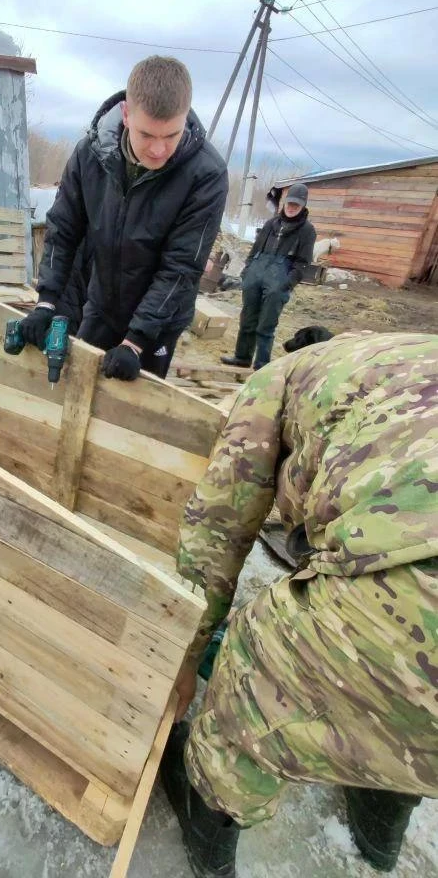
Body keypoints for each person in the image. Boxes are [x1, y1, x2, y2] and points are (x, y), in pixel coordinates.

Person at [160, 332, 437, 877]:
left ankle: (208, 807)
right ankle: (383, 812)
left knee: (258, 657)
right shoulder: (411, 357)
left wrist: (184, 658)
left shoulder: (277, 381)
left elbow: (216, 532)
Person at [21, 56, 228, 380]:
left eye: (171, 136)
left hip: (157, 324)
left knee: (133, 414)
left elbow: (181, 266)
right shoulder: (91, 155)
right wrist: (47, 302)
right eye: (147, 135)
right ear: (127, 114)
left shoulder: (206, 174)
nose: (159, 150)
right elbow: (63, 229)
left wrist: (136, 342)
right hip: (102, 303)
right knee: (80, 383)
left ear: (185, 117)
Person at [221, 181, 316, 370]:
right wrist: (248, 271)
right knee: (248, 319)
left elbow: (302, 263)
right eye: (289, 204)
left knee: (266, 325)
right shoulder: (271, 224)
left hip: (279, 281)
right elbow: (255, 249)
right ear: (284, 203)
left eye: (296, 205)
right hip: (256, 274)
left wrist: (287, 283)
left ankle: (261, 365)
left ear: (303, 206)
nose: (291, 208)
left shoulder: (307, 231)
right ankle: (242, 358)